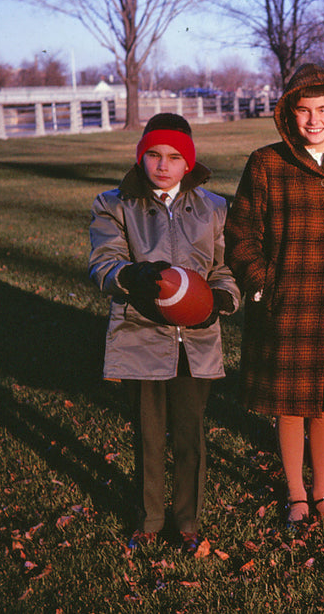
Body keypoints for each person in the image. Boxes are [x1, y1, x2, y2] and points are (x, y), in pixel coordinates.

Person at [224, 64, 324, 525]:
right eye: (304, 111)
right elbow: (241, 234)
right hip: (287, 307)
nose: (314, 121)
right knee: (290, 404)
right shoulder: (266, 164)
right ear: (288, 115)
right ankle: (296, 493)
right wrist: (264, 280)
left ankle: (323, 490)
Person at [88, 113, 240, 553]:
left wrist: (221, 299)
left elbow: (224, 268)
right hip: (142, 336)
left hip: (195, 341)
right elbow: (103, 263)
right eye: (153, 155)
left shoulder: (214, 207)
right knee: (148, 433)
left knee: (190, 434)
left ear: (188, 163)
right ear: (140, 156)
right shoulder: (114, 204)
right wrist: (131, 274)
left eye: (174, 157)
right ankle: (150, 517)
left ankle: (187, 520)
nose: (162, 165)